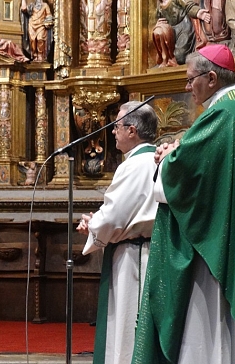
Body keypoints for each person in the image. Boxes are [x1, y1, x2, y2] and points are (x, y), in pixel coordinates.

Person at [133, 44, 235, 364]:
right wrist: (178, 153)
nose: (188, 88)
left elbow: (186, 174)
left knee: (208, 331)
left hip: (212, 251)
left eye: (191, 80)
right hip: (230, 236)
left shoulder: (221, 114)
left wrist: (166, 159)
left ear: (212, 77)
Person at [76, 101, 159, 364]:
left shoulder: (134, 165)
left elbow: (114, 216)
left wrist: (92, 225)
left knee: (127, 327)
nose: (112, 132)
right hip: (150, 250)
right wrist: (101, 220)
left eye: (117, 126)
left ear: (132, 130)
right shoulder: (159, 158)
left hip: (133, 258)